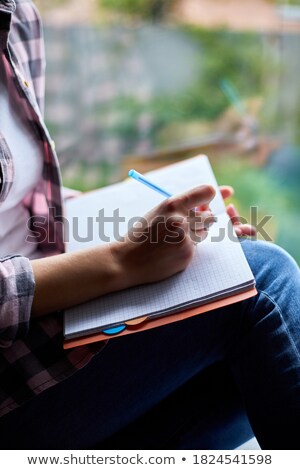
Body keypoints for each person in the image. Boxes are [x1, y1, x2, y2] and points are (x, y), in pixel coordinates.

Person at [0, 0, 300, 450]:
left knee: (230, 301)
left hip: (51, 304)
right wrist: (121, 260)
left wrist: (136, 220)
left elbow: (25, 200)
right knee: (262, 283)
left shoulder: (16, 17)